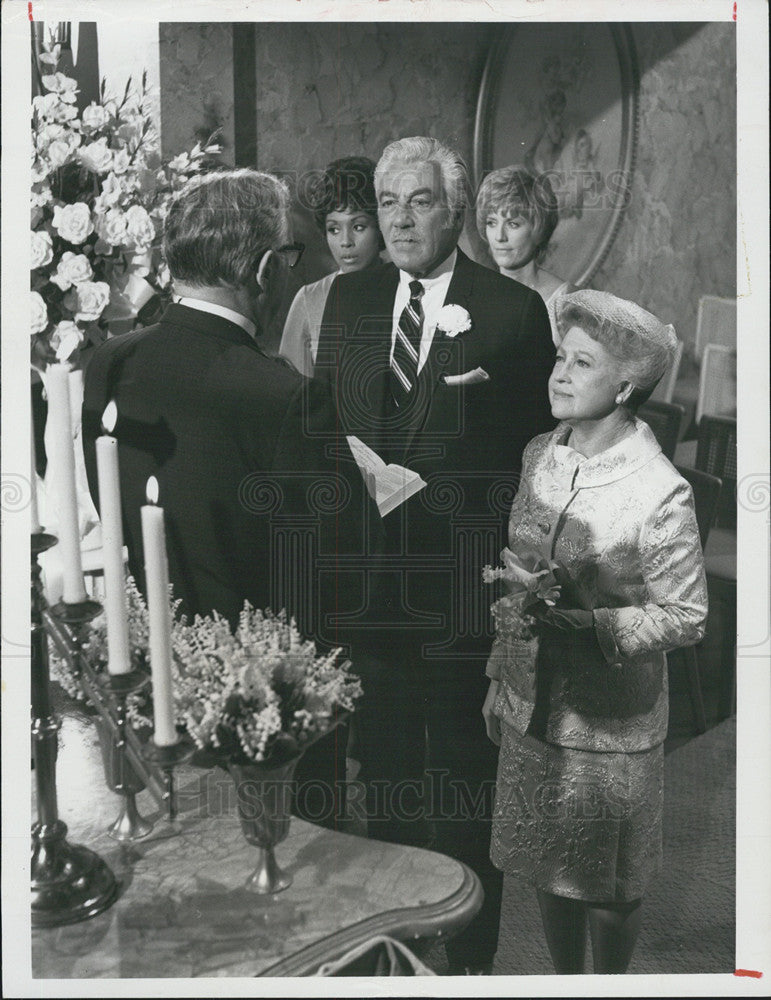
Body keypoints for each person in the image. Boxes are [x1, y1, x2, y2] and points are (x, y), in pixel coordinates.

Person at [314, 136, 556, 974]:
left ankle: (472, 969)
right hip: (369, 595)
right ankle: (390, 960)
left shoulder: (512, 314)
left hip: (463, 595)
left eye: (420, 201)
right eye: (388, 203)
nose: (402, 219)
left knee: (462, 795)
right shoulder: (348, 299)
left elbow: (536, 467)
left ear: (454, 209)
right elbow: (325, 425)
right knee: (380, 789)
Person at [82, 168, 381, 828]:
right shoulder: (282, 397)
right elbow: (341, 562)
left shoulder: (110, 364)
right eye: (294, 259)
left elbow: (120, 506)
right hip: (270, 708)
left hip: (152, 679)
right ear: (266, 269)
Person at [481, 289, 708, 974]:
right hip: (532, 702)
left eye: (582, 363)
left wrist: (590, 626)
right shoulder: (538, 456)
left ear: (626, 385)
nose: (559, 374)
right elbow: (519, 573)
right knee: (547, 866)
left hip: (610, 724)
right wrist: (498, 678)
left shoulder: (658, 491)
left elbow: (686, 615)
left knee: (607, 880)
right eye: (559, 357)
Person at [279, 156, 383, 376]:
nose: (345, 241)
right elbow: (297, 397)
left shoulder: (409, 289)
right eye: (334, 229)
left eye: (358, 226)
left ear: (381, 225)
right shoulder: (309, 298)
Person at [476, 164, 573, 345]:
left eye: (513, 224)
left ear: (539, 228)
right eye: (491, 223)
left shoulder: (564, 302)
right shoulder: (474, 295)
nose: (499, 237)